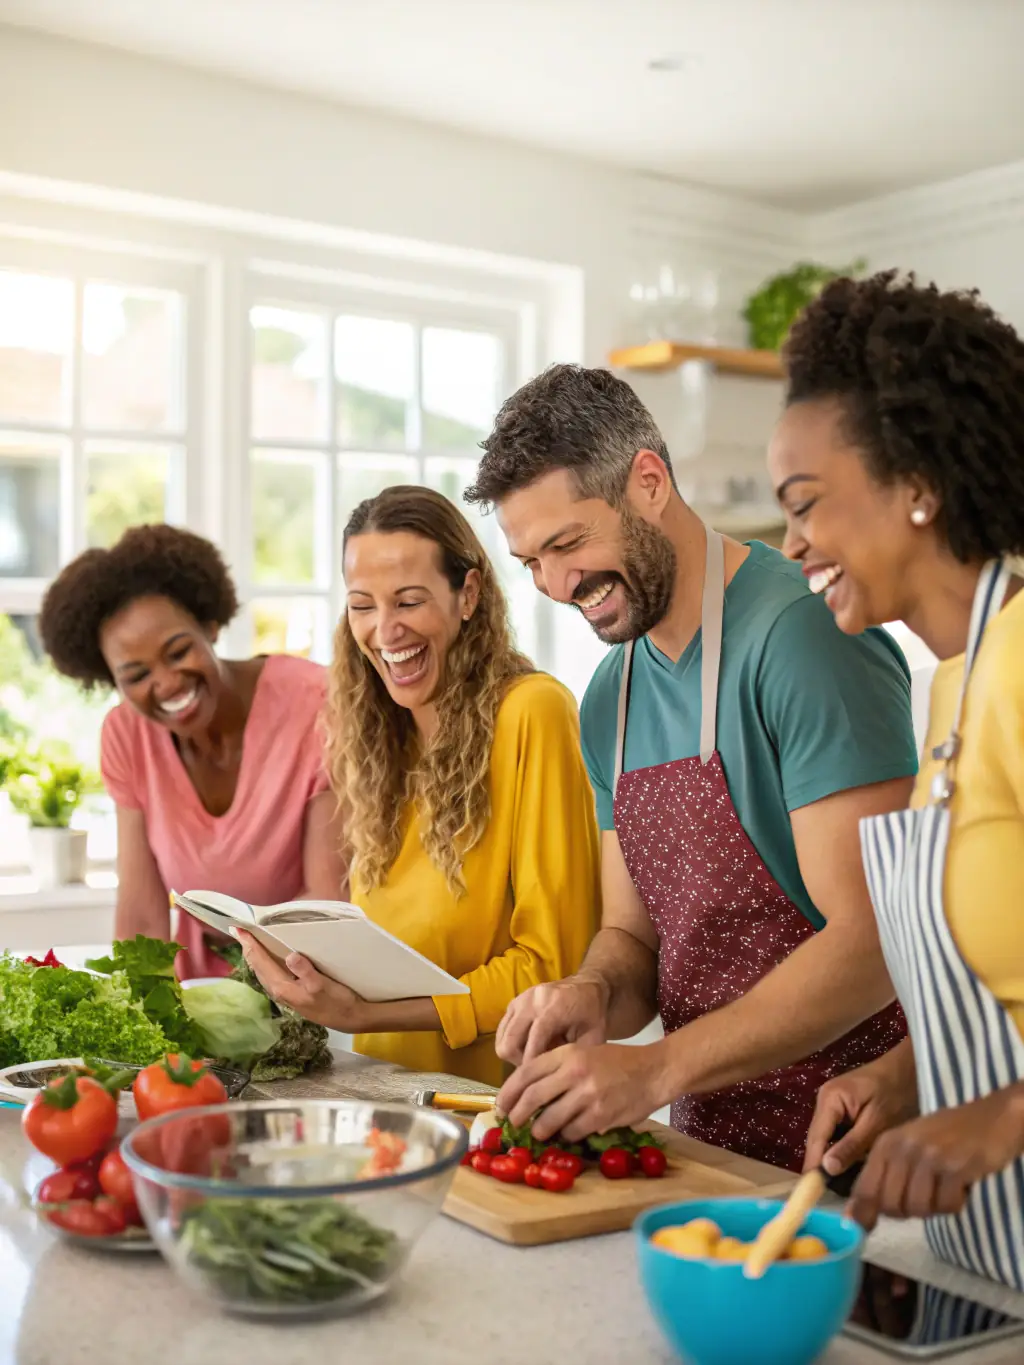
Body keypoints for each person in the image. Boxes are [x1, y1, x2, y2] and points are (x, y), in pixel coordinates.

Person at [464, 363, 919, 1172]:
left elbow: (872, 944)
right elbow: (631, 938)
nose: (559, 585)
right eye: (530, 560)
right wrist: (594, 993)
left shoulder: (805, 637)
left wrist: (656, 1067)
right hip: (709, 1153)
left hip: (858, 1154)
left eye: (569, 542)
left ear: (648, 481)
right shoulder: (610, 697)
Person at [771, 271, 1024, 1290]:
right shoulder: (955, 687)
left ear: (915, 480)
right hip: (994, 1256)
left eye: (804, 505)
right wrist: (907, 1077)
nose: (790, 545)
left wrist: (1002, 1115)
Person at [237, 487, 601, 1086]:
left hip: (498, 1110)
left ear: (469, 595)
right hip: (385, 1099)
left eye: (409, 601)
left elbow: (553, 968)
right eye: (362, 605)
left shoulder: (533, 712)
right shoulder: (378, 738)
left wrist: (363, 1013)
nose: (385, 631)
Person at [38, 524, 346, 980]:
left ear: (210, 624)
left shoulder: (318, 704)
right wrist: (141, 1015)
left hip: (310, 975)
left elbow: (327, 901)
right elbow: (142, 915)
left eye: (178, 651)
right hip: (203, 987)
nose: (165, 683)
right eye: (136, 675)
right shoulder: (127, 734)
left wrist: (251, 999)